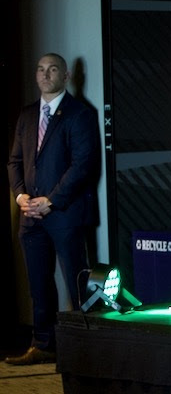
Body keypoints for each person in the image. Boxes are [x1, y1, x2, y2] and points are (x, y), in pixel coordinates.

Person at [6, 53, 100, 365]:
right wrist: (21, 197)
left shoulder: (80, 114)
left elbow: (82, 166)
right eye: (41, 69)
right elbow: (15, 162)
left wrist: (51, 201)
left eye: (53, 69)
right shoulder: (27, 115)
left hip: (65, 214)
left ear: (66, 76)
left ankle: (86, 349)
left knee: (76, 281)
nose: (45, 75)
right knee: (39, 285)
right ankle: (43, 344)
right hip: (30, 216)